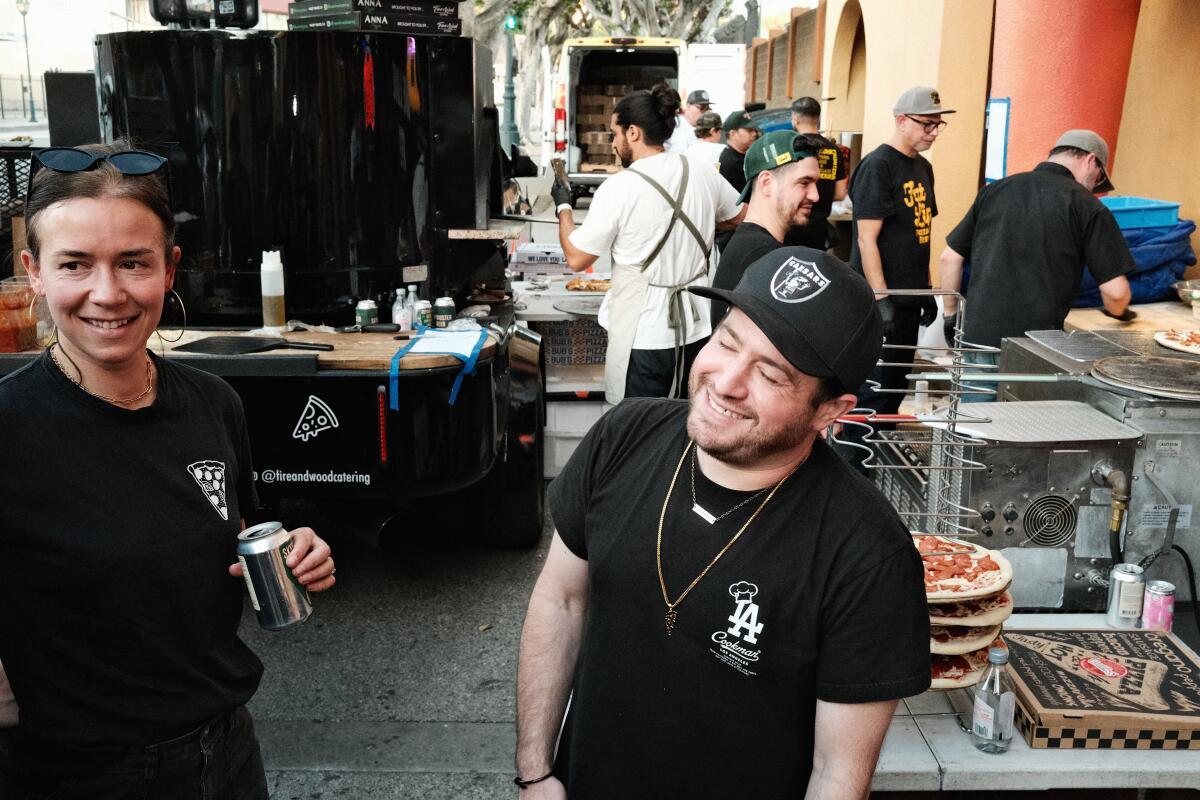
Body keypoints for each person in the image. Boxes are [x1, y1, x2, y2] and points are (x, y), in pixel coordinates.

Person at [514, 247, 930, 799]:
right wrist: (535, 771)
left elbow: (837, 774)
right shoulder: (623, 438)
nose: (726, 381)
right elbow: (561, 601)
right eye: (728, 342)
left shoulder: (867, 555)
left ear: (830, 411)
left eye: (771, 374)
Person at [0, 142, 337, 800]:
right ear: (33, 271)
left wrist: (298, 549)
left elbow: (237, 530)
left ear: (170, 268)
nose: (108, 292)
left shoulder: (214, 403)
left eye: (133, 263)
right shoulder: (10, 427)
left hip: (229, 754)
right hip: (78, 776)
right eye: (75, 264)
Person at [552, 85, 745, 403]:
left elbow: (575, 256)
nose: (613, 144)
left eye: (614, 134)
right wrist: (703, 221)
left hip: (642, 337)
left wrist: (564, 206)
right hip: (697, 332)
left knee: (638, 433)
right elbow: (740, 216)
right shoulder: (699, 172)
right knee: (690, 423)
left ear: (633, 132)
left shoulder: (619, 188)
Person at [939, 129, 1134, 399]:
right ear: (1091, 161)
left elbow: (949, 258)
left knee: (975, 428)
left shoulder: (996, 190)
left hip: (979, 337)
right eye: (1099, 178)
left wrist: (950, 316)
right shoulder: (1086, 206)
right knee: (1024, 432)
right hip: (1035, 347)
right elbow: (1115, 292)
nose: (1094, 187)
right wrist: (1119, 312)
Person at [850, 85, 953, 417]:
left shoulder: (924, 168)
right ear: (901, 120)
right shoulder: (878, 166)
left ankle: (882, 464)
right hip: (882, 303)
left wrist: (924, 290)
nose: (934, 132)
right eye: (927, 124)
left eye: (938, 125)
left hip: (909, 298)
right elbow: (867, 239)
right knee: (874, 391)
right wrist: (881, 300)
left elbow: (919, 234)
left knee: (895, 388)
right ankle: (858, 461)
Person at [708, 130, 824, 321]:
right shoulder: (762, 257)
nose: (815, 195)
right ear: (766, 183)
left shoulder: (752, 246)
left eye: (815, 183)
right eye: (804, 183)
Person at [783, 97, 849, 251]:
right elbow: (840, 194)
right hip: (819, 231)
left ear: (795, 119)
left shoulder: (791, 146)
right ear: (818, 119)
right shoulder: (834, 150)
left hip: (790, 229)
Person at [714, 110, 761, 251]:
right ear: (733, 134)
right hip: (734, 233)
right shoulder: (732, 162)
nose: (754, 134)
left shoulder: (737, 157)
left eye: (754, 130)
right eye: (748, 130)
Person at [664, 89, 710, 154]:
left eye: (707, 109)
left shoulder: (707, 131)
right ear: (688, 106)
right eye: (701, 108)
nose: (704, 112)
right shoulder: (673, 123)